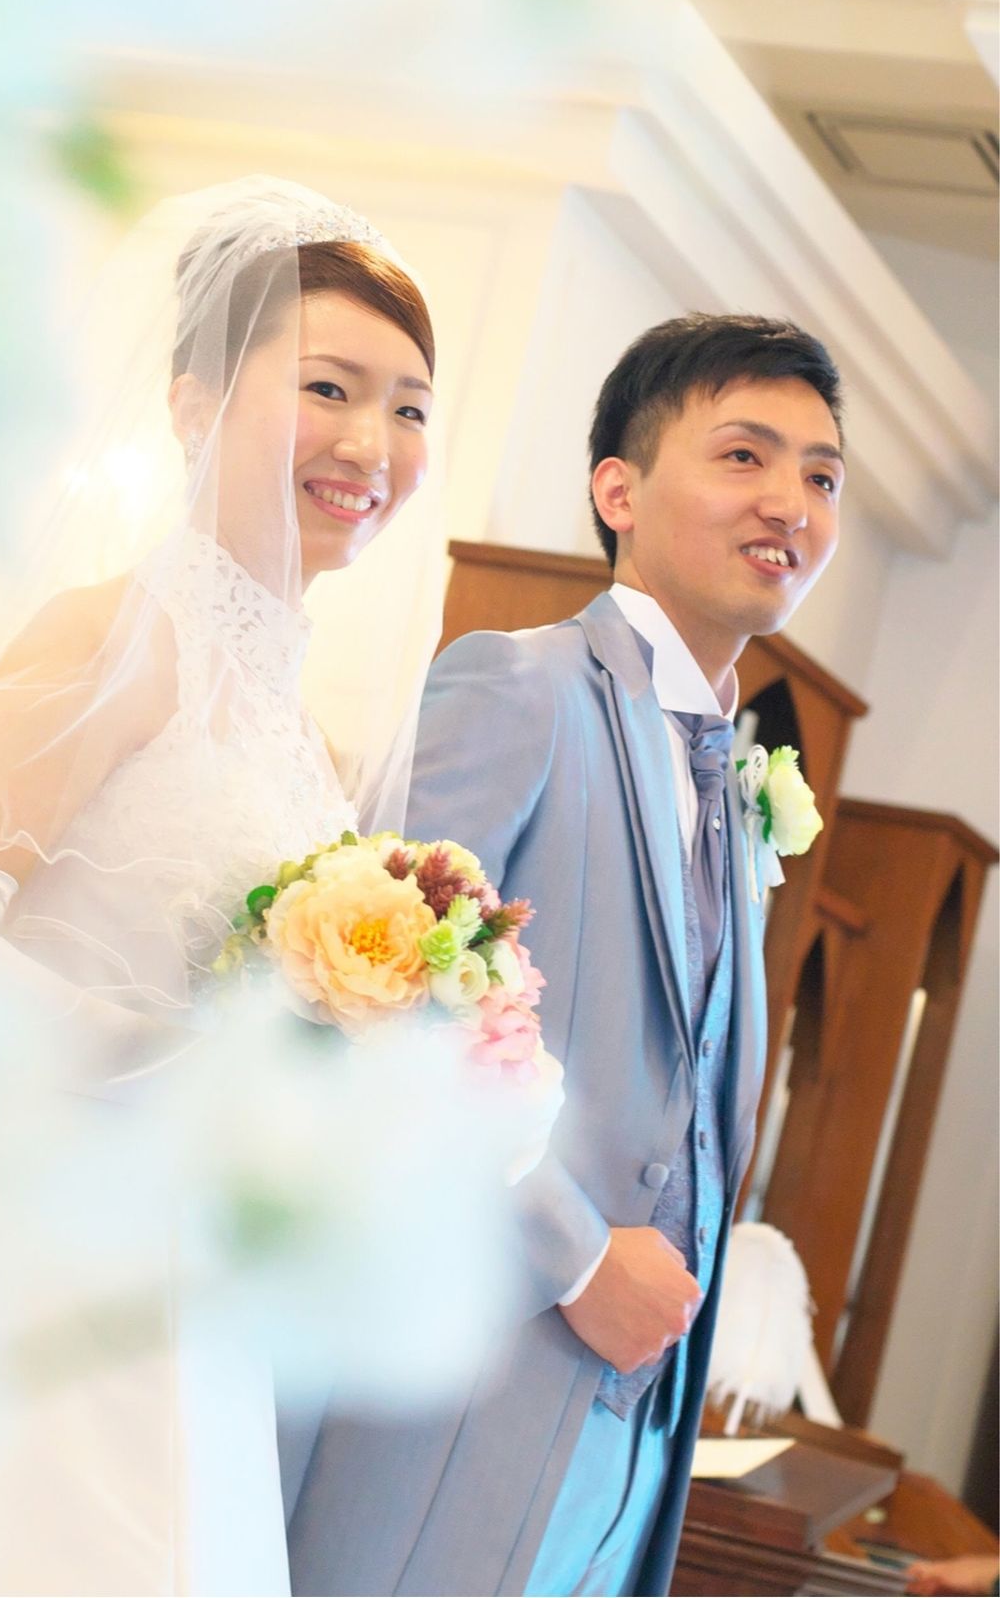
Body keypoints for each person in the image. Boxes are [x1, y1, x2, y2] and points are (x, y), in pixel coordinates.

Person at [0, 176, 443, 1595]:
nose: (372, 443)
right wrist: (201, 1072)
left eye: (409, 408)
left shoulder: (310, 739)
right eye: (329, 387)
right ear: (190, 404)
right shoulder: (113, 640)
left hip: (187, 1307)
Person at [283, 312, 846, 1597]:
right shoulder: (518, 685)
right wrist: (578, 1253)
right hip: (452, 1408)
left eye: (819, 475)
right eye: (743, 455)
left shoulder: (738, 786)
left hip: (626, 1454)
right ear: (617, 491)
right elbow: (351, 1010)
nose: (789, 502)